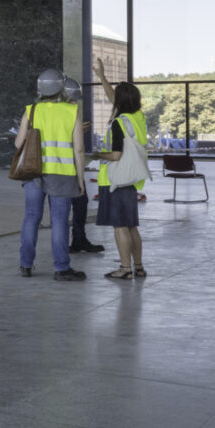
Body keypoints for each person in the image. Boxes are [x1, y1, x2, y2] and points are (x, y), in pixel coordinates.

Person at [14, 68, 88, 280]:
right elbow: (79, 149)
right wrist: (80, 179)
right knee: (59, 221)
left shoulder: (31, 110)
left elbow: (19, 143)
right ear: (61, 88)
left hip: (33, 173)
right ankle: (61, 268)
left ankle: (25, 265)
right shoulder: (71, 112)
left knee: (31, 218)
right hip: (63, 175)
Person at [92, 58, 147, 279]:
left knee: (120, 227)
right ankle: (138, 266)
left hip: (114, 180)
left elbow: (115, 155)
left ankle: (124, 269)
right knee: (131, 226)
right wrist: (102, 77)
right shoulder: (137, 118)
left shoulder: (118, 124)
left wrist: (95, 154)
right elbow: (114, 99)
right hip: (132, 180)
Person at [61, 76, 105, 255]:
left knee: (78, 204)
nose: (74, 102)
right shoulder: (69, 113)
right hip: (66, 168)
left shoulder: (41, 111)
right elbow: (77, 148)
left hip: (64, 166)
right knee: (68, 206)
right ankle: (67, 245)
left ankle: (77, 239)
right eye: (71, 98)